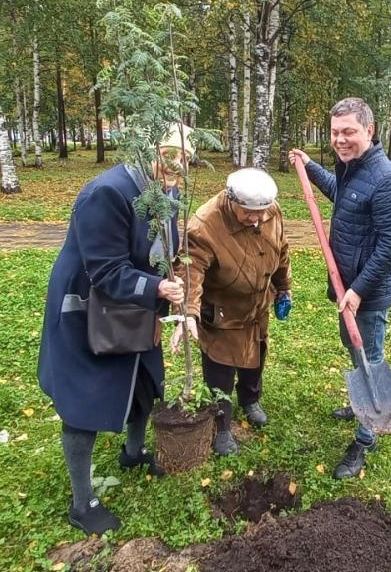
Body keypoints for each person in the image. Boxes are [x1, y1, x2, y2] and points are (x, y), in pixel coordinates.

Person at [37, 125, 193, 536]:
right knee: (85, 401)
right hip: (89, 307)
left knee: (143, 379)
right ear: (148, 153)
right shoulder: (107, 193)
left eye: (184, 159)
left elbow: (166, 249)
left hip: (136, 301)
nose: (178, 167)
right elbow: (105, 269)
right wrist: (156, 287)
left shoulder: (166, 191)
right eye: (170, 156)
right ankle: (82, 501)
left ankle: (133, 451)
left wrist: (166, 289)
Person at [288, 97, 391, 479]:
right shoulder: (351, 169)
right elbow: (345, 198)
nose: (340, 140)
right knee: (352, 347)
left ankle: (365, 436)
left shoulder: (388, 180)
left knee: (369, 353)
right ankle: (359, 403)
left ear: (369, 131)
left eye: (349, 132)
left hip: (366, 293)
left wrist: (357, 291)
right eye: (335, 132)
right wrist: (310, 167)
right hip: (347, 289)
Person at [176, 168, 291, 456]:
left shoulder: (270, 211)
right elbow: (191, 271)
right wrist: (188, 313)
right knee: (220, 369)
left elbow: (282, 249)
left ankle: (251, 400)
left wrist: (283, 287)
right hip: (222, 312)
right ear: (230, 200)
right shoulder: (204, 225)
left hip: (257, 305)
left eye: (262, 212)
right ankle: (222, 425)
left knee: (256, 355)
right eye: (249, 212)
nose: (257, 218)